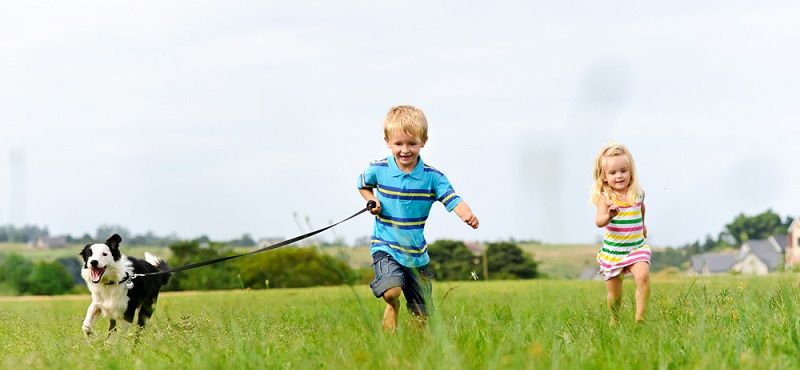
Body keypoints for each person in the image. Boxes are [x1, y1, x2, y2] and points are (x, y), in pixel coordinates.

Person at [357, 105, 479, 332]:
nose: (405, 150)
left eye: (412, 143)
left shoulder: (432, 177)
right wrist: (372, 200)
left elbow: (452, 198)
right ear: (387, 141)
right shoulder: (378, 169)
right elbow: (362, 185)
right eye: (398, 144)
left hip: (416, 254)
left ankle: (415, 350)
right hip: (385, 244)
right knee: (391, 291)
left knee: (421, 316)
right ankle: (392, 306)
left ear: (423, 141)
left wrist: (466, 214)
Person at [591, 141, 651, 324]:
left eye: (623, 171)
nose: (619, 176)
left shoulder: (638, 193)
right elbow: (598, 221)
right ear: (604, 177)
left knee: (643, 276)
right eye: (613, 172)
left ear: (630, 171)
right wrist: (609, 215)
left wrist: (643, 225)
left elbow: (641, 208)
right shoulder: (606, 198)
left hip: (636, 247)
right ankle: (614, 317)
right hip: (614, 252)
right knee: (615, 294)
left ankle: (640, 320)